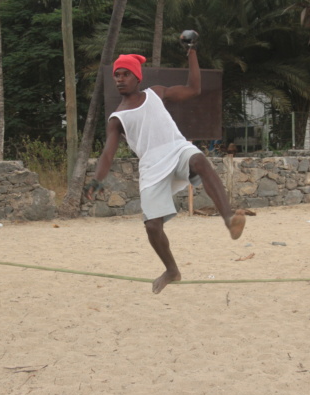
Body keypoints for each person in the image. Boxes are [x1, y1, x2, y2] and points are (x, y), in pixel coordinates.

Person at [85, 33, 246, 294]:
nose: (120, 79)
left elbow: (194, 88)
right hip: (151, 166)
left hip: (176, 148)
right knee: (152, 226)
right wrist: (97, 179)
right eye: (117, 75)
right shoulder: (117, 118)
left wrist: (192, 51)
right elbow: (107, 153)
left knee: (200, 161)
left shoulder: (156, 94)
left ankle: (229, 218)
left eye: (125, 74)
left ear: (138, 77)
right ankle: (172, 270)